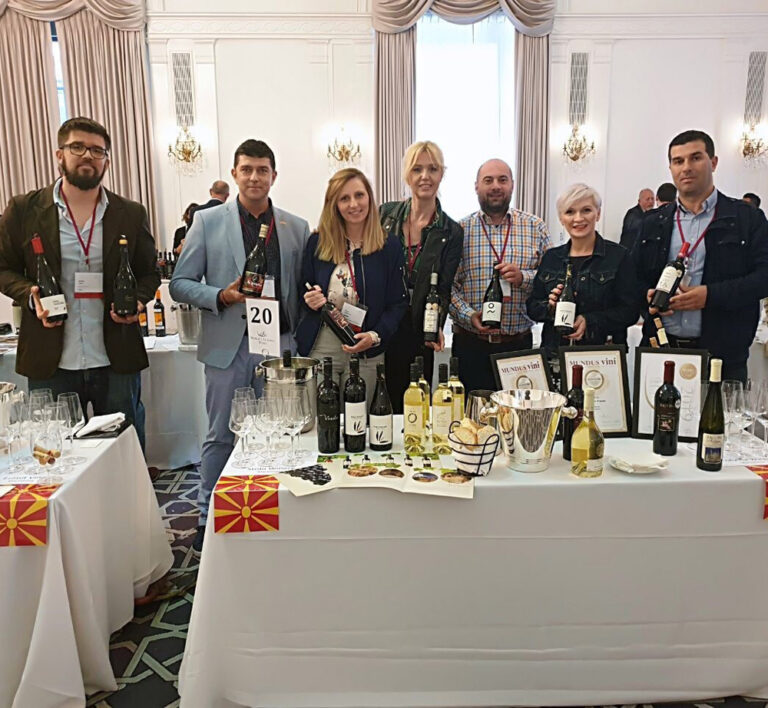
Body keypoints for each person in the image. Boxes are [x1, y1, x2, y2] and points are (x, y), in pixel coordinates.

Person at [170, 139, 309, 553]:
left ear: (274, 176)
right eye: (246, 169)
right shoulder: (207, 222)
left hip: (279, 347)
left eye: (262, 170)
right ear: (234, 174)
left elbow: (301, 287)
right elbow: (180, 283)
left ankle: (274, 514)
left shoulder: (296, 227)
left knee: (282, 434)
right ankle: (208, 516)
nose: (254, 177)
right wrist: (221, 295)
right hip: (228, 347)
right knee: (221, 435)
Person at [0, 116, 157, 451]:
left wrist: (139, 300)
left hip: (116, 357)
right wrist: (29, 295)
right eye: (77, 147)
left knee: (123, 454)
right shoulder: (24, 209)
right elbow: (3, 267)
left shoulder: (130, 213)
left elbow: (149, 273)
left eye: (97, 150)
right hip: (50, 360)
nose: (88, 155)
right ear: (60, 155)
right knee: (54, 455)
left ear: (107, 161)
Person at [632, 129, 768, 383]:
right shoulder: (652, 223)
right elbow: (633, 278)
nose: (686, 167)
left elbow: (763, 278)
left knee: (721, 412)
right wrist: (646, 295)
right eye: (678, 161)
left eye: (695, 158)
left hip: (723, 357)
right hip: (660, 350)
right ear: (671, 168)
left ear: (713, 162)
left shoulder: (746, 218)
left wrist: (710, 295)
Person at [297, 168, 407, 403]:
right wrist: (310, 299)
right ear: (334, 205)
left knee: (358, 421)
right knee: (320, 419)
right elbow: (302, 291)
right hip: (322, 345)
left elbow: (398, 304)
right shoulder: (317, 243)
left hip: (366, 347)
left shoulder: (389, 246)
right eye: (344, 198)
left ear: (369, 197)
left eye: (359, 195)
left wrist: (375, 336)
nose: (354, 204)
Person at [450, 158, 551, 393]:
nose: (496, 186)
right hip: (470, 347)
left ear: (512, 185)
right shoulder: (459, 231)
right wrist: (468, 316)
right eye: (488, 180)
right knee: (471, 414)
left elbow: (551, 280)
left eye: (502, 180)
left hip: (518, 348)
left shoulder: (535, 227)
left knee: (518, 414)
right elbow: (447, 286)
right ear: (476, 186)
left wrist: (523, 278)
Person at [379, 141, 463, 407]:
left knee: (415, 401)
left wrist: (437, 324)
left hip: (419, 326)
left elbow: (444, 287)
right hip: (383, 323)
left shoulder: (452, 231)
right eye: (417, 169)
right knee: (380, 398)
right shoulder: (385, 215)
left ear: (441, 174)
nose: (425, 176)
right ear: (407, 174)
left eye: (432, 169)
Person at [527, 183, 640, 360]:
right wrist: (550, 308)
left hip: (602, 358)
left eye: (586, 210)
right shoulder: (551, 258)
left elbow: (631, 311)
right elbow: (532, 307)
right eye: (570, 212)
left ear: (598, 214)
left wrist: (590, 321)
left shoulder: (619, 256)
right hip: (554, 356)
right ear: (561, 218)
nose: (578, 218)